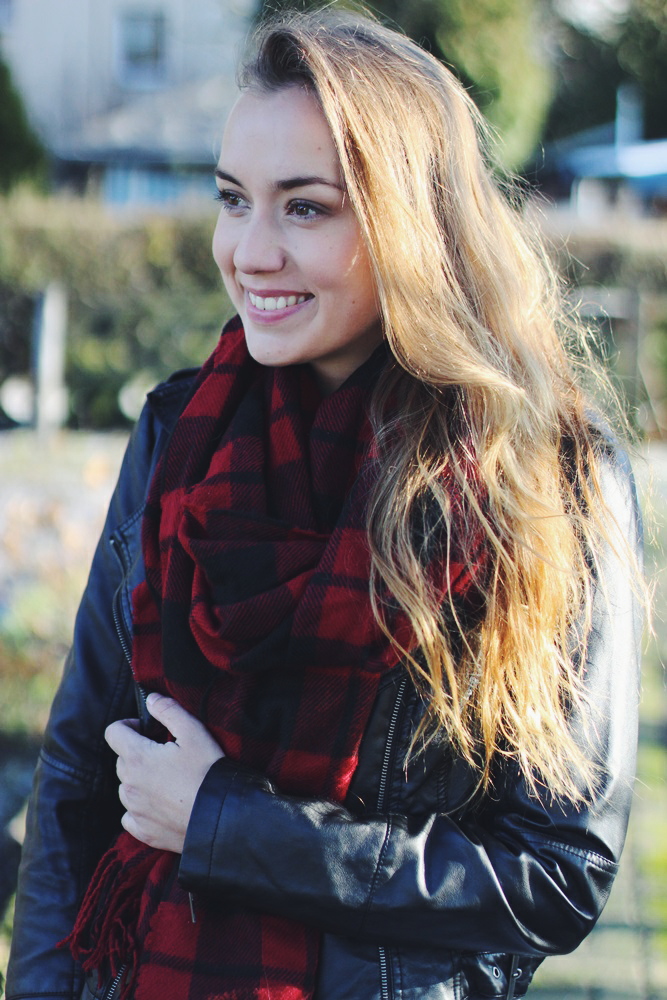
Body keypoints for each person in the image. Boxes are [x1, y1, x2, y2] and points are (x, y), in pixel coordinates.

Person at [7, 7, 643, 1000]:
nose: (249, 251)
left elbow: (554, 871)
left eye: (305, 208)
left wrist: (225, 823)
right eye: (232, 200)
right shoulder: (180, 434)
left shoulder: (545, 472)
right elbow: (77, 785)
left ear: (411, 222)